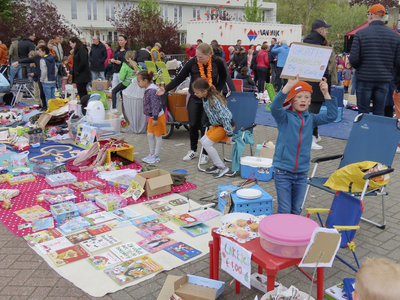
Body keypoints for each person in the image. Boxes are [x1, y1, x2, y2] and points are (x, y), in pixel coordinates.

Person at [270, 75, 338, 214]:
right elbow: (275, 107)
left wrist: (326, 93)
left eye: (307, 97)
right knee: (284, 209)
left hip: (301, 173)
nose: (303, 100)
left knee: (296, 209)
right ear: (291, 99)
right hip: (283, 171)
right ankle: (280, 234)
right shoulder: (284, 118)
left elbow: (332, 116)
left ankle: (293, 235)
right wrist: (288, 86)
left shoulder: (311, 119)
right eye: (299, 96)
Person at [157, 43, 227, 163]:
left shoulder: (218, 62)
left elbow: (224, 77)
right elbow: (180, 78)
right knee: (193, 124)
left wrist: (218, 90)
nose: (198, 59)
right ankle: (193, 150)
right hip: (195, 97)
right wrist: (166, 89)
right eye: (196, 56)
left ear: (208, 55)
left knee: (204, 125)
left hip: (209, 98)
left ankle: (205, 153)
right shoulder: (193, 62)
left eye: (200, 57)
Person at [350, 4, 400, 116]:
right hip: (384, 79)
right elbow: (398, 62)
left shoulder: (361, 34)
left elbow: (353, 59)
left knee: (363, 113)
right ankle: (377, 133)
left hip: (364, 78)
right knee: (379, 112)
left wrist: (361, 68)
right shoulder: (395, 36)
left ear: (371, 15)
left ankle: (363, 132)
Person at [193, 78, 234, 178]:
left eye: (197, 92)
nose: (195, 94)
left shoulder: (214, 100)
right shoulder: (205, 97)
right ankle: (217, 164)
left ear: (205, 91)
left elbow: (225, 118)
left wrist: (230, 135)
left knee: (207, 143)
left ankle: (222, 167)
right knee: (203, 140)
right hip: (217, 125)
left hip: (226, 126)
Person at [303, 19, 334, 150]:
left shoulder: (306, 42)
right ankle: (308, 138)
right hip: (317, 82)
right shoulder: (319, 45)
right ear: (320, 30)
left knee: (311, 110)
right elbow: (323, 67)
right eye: (326, 29)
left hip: (307, 81)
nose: (327, 31)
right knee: (313, 111)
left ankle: (314, 135)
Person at [137, 70, 166, 164]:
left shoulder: (152, 91)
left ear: (145, 81)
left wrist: (155, 118)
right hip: (151, 116)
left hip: (156, 116)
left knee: (157, 135)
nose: (138, 83)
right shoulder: (148, 89)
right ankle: (151, 153)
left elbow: (155, 105)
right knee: (150, 134)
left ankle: (156, 156)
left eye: (139, 81)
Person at [110, 35, 131, 109]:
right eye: (119, 40)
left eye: (121, 40)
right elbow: (113, 57)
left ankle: (125, 111)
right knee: (114, 92)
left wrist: (121, 63)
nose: (120, 42)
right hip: (115, 72)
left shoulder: (128, 51)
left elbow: (129, 62)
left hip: (123, 73)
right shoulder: (116, 50)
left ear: (126, 41)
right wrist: (112, 60)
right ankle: (113, 109)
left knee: (124, 93)